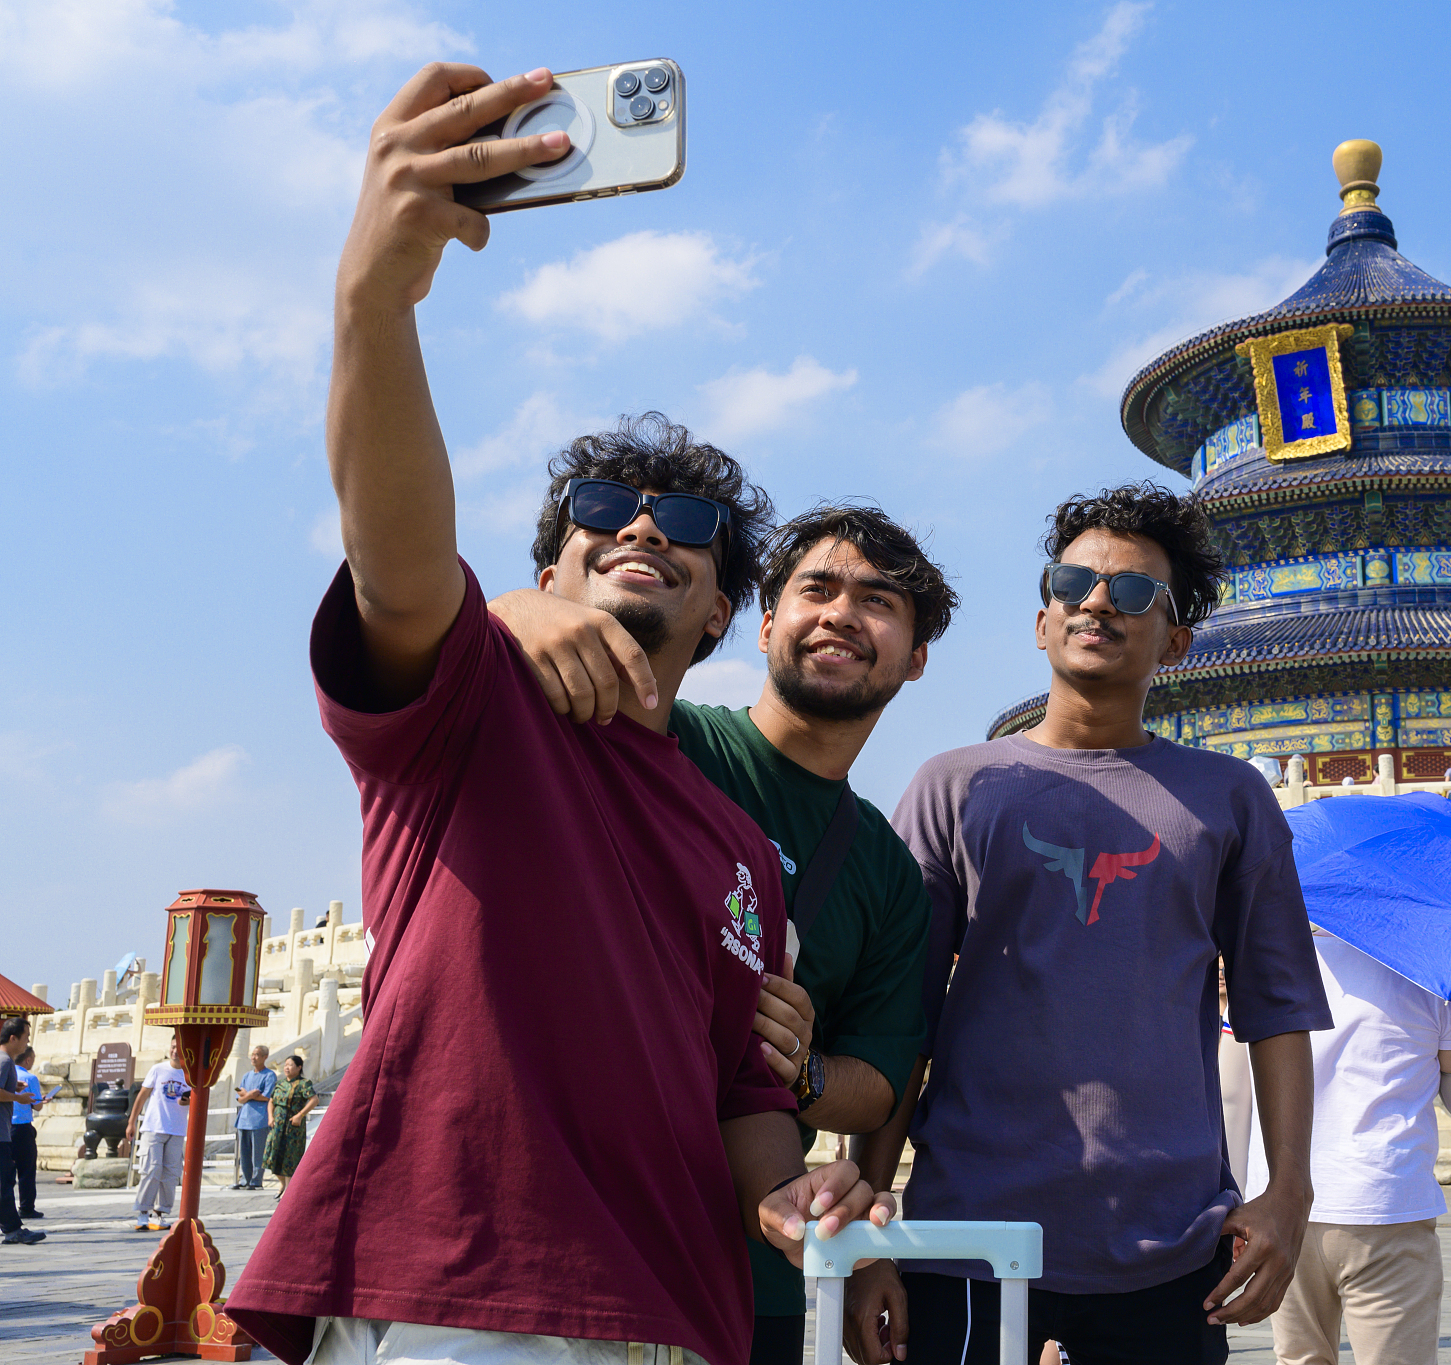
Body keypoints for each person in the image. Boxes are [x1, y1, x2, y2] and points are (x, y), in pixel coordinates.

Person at [224, 62, 887, 1365]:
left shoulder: (747, 851)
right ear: (546, 571)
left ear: (717, 617)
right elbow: (397, 556)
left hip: (677, 1312)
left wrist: (796, 1193)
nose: (641, 525)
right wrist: (376, 298)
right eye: (598, 513)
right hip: (466, 1296)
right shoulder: (469, 708)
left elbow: (746, 1098)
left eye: (686, 526)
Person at [847, 484, 1331, 1365]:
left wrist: (1288, 1192)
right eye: (1074, 582)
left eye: (1136, 591)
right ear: (1043, 621)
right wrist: (873, 1226)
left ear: (1175, 642)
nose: (1099, 601)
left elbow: (1278, 1006)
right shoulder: (956, 786)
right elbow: (900, 1018)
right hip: (968, 1242)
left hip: (1172, 1246)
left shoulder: (1230, 799)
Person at [489, 503, 955, 1365]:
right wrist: (519, 605)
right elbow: (523, 660)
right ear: (764, 621)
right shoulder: (662, 737)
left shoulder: (890, 870)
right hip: (581, 1234)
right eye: (816, 588)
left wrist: (796, 1065)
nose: (843, 614)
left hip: (761, 1264)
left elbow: (884, 1080)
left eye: (879, 601)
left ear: (916, 656)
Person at [1245, 931, 1451, 1364]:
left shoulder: (1267, 962)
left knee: (1300, 1358)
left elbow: (1232, 1093)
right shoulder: (1431, 971)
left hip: (1284, 1206)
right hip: (1384, 1201)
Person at [125, 1052, 191, 1234]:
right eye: (172, 1047)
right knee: (152, 1169)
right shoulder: (158, 1069)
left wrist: (188, 1101)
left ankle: (161, 1214)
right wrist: (132, 1122)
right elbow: (142, 1096)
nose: (175, 1051)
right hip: (154, 1127)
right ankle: (143, 1212)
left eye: (179, 1047)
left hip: (177, 1130)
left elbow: (196, 1100)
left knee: (170, 1174)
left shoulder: (190, 1074)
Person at [0, 1019, 41, 1246]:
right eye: (25, 1036)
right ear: (12, 1038)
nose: (27, 1041)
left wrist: (11, 1087)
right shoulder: (5, 1061)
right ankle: (13, 1229)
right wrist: (18, 1098)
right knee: (4, 1182)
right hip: (0, 1135)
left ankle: (12, 1228)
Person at [263, 1056, 318, 1195]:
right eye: (285, 1065)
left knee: (290, 1158)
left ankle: (289, 1191)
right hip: (277, 1125)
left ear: (299, 1067)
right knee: (270, 1156)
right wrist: (270, 1116)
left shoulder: (303, 1083)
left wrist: (300, 1114)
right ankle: (282, 1184)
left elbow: (314, 1099)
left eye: (290, 1065)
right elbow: (271, 1101)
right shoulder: (280, 1084)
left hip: (293, 1126)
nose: (286, 1067)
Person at [233, 1045, 277, 1190]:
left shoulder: (269, 1075)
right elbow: (239, 1096)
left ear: (265, 1057)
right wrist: (250, 1095)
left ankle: (256, 1180)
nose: (254, 1057)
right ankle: (245, 1179)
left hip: (259, 1119)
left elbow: (266, 1096)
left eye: (257, 1055)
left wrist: (248, 1096)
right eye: (253, 1054)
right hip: (244, 1118)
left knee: (257, 1153)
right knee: (244, 1153)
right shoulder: (246, 1076)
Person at [11, 1046, 45, 1221]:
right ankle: (26, 1207)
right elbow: (37, 1104)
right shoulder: (29, 1077)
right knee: (26, 1170)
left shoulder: (7, 1073)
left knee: (6, 1170)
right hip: (23, 1127)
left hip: (5, 1126)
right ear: (28, 1060)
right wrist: (43, 1100)